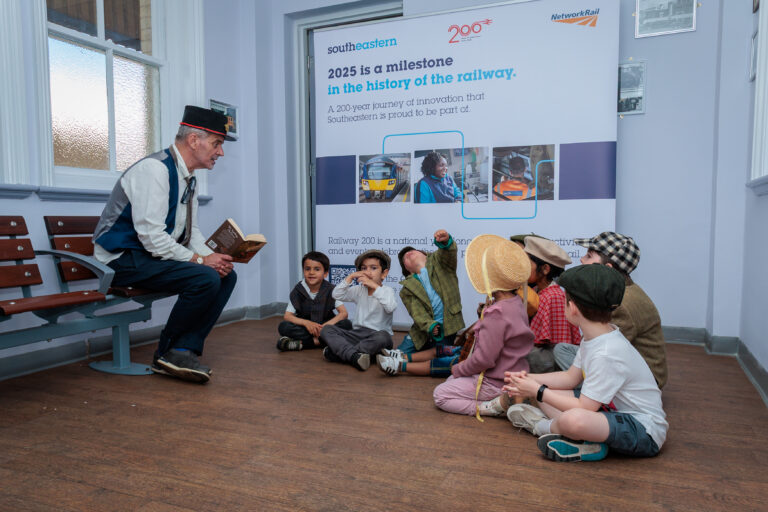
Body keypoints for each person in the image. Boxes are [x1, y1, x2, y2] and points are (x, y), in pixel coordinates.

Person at [92, 105, 237, 383]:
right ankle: (166, 353)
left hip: (145, 255)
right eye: (217, 144)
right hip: (119, 258)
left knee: (224, 276)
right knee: (204, 277)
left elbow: (191, 233)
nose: (221, 152)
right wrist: (199, 261)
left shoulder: (188, 178)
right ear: (194, 140)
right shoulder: (155, 170)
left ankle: (183, 349)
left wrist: (214, 258)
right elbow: (153, 238)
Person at [504, 264, 668, 463]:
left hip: (643, 431)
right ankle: (588, 443)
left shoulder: (607, 352)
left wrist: (537, 390)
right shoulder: (595, 336)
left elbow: (584, 406)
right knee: (546, 395)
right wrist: (529, 379)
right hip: (609, 412)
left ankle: (541, 427)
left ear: (572, 308)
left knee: (572, 419)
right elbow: (569, 378)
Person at [433, 234, 534, 417]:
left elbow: (484, 360)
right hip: (512, 374)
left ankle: (492, 406)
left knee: (441, 394)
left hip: (495, 382)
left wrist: (458, 368)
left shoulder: (497, 312)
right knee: (451, 381)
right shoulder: (516, 302)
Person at [553, 232, 668, 389]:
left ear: (606, 268)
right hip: (623, 363)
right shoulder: (620, 292)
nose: (581, 259)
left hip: (644, 380)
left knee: (575, 361)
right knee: (562, 349)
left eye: (589, 256)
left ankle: (590, 393)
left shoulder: (620, 303)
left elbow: (607, 351)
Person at [375, 229, 464, 376]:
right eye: (405, 258)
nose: (408, 254)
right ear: (407, 269)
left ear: (425, 255)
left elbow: (448, 253)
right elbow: (417, 312)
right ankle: (397, 358)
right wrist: (430, 325)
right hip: (421, 331)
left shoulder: (441, 263)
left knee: (442, 355)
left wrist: (445, 242)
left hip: (447, 328)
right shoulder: (407, 289)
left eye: (413, 251)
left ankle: (403, 363)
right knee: (399, 351)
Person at [319, 250, 397, 371]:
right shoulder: (358, 290)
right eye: (364, 268)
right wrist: (350, 277)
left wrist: (374, 286)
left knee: (384, 337)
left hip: (377, 334)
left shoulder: (387, 291)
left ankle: (342, 353)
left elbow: (390, 307)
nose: (368, 272)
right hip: (357, 334)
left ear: (384, 273)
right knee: (327, 329)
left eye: (373, 268)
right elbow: (336, 294)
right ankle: (357, 356)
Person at [524, 236, 581, 373]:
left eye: (527, 263)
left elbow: (557, 345)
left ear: (545, 269)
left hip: (549, 371)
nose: (522, 267)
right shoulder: (538, 291)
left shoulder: (553, 297)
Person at [277, 251, 352, 351]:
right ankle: (323, 341)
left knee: (346, 324)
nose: (311, 272)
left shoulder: (331, 289)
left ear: (325, 273)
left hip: (326, 326)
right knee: (284, 327)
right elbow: (287, 316)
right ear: (303, 270)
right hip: (306, 328)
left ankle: (305, 343)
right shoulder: (298, 290)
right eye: (307, 269)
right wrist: (307, 323)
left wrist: (324, 327)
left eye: (317, 269)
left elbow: (343, 313)